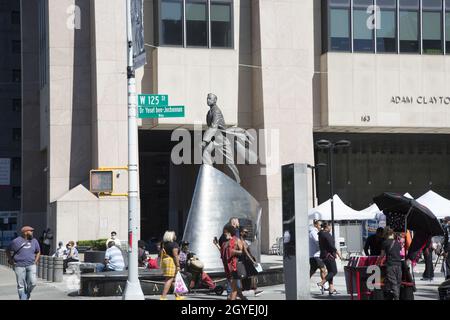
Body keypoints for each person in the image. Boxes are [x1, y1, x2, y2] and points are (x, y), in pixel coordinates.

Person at [6, 226, 41, 300]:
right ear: (25, 232)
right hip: (19, 266)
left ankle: (27, 294)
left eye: (32, 231)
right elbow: (7, 250)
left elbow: (38, 251)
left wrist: (35, 261)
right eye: (30, 231)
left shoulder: (34, 241)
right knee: (21, 285)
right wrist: (11, 260)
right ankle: (23, 298)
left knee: (33, 282)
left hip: (31, 265)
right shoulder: (16, 241)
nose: (32, 232)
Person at [377, 227, 403, 300]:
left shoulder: (385, 243)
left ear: (385, 234)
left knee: (393, 283)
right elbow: (399, 253)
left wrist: (377, 263)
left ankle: (396, 298)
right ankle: (395, 297)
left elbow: (382, 255)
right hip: (399, 265)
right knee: (397, 283)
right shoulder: (397, 243)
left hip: (391, 265)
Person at [220, 223, 244, 300]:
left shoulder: (237, 240)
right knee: (235, 287)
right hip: (227, 267)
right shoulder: (225, 243)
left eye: (225, 233)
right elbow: (223, 253)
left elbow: (242, 252)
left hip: (234, 266)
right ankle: (241, 297)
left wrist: (234, 251)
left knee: (234, 286)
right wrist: (217, 244)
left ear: (229, 232)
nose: (224, 234)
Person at [317, 222, 342, 296]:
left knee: (330, 271)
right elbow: (331, 246)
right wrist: (338, 253)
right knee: (334, 271)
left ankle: (331, 288)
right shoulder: (327, 235)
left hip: (324, 256)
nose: (331, 227)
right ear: (327, 226)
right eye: (330, 226)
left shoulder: (321, 234)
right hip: (329, 256)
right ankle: (321, 283)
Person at [160, 231, 185, 300]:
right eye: (174, 234)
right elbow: (175, 256)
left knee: (173, 279)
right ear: (171, 236)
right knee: (169, 279)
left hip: (165, 261)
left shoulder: (164, 244)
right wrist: (178, 265)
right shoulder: (174, 244)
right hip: (171, 262)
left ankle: (177, 296)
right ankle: (163, 297)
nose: (175, 236)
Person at [239, 226, 263, 297]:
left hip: (248, 261)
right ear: (241, 233)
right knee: (252, 275)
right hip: (246, 262)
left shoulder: (244, 241)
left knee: (250, 275)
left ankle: (245, 291)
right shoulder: (241, 242)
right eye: (245, 232)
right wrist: (253, 262)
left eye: (247, 232)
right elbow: (246, 253)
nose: (247, 233)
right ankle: (254, 291)